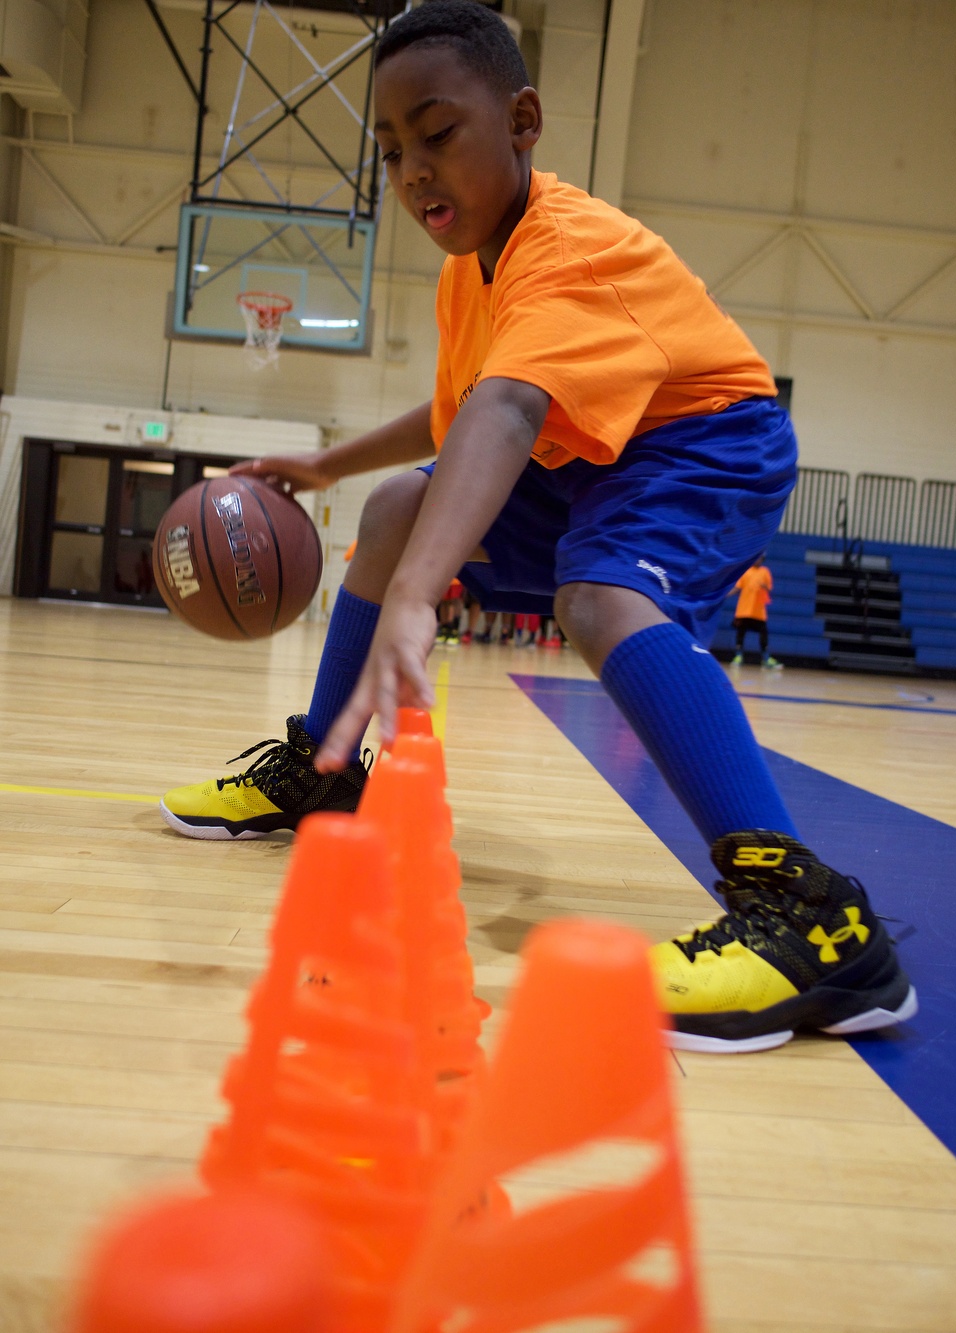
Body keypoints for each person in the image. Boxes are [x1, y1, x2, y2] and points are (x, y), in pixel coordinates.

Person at [159, 1, 915, 1053]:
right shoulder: (473, 270)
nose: (413, 169)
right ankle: (324, 771)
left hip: (707, 438)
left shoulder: (567, 249)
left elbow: (508, 412)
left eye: (437, 133)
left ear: (522, 120)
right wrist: (328, 465)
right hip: (591, 456)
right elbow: (464, 411)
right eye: (389, 151)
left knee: (600, 594)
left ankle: (812, 922)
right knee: (393, 507)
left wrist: (420, 596)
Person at [731, 554, 781, 668]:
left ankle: (766, 658)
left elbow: (769, 588)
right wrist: (725, 595)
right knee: (740, 632)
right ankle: (738, 656)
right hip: (744, 609)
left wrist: (765, 587)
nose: (757, 560)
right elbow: (738, 587)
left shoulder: (765, 572)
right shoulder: (746, 571)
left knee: (764, 633)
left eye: (760, 558)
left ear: (762, 559)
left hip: (758, 611)